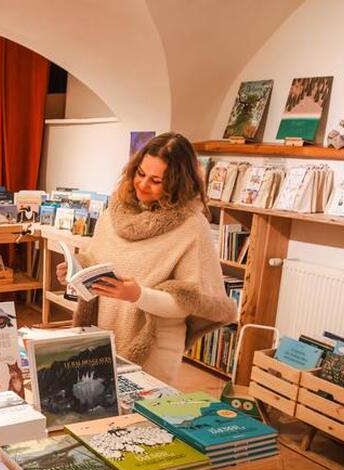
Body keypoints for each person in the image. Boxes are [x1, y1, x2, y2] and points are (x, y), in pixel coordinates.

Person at [57, 132, 237, 384]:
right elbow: (94, 262)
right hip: (103, 335)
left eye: (156, 180)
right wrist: (75, 272)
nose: (142, 185)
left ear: (177, 184)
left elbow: (189, 302)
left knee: (141, 420)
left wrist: (138, 295)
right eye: (140, 174)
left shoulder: (191, 226)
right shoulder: (113, 213)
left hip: (156, 347)